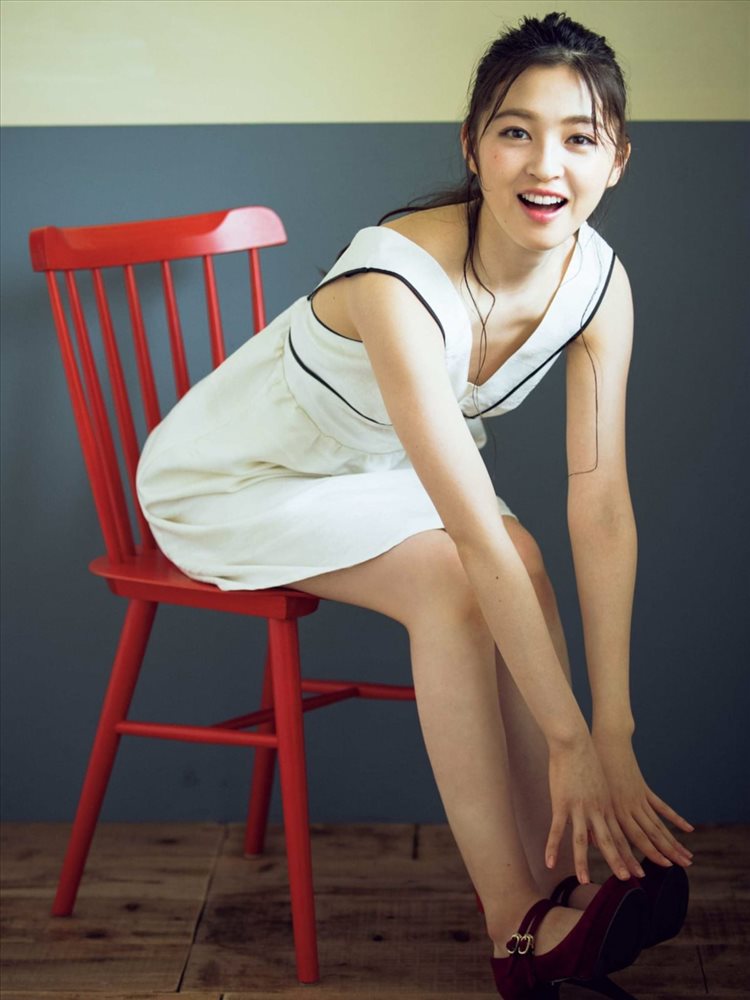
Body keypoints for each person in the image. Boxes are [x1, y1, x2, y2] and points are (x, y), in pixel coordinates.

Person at [137, 12, 694, 997]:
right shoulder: (395, 274)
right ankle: (516, 925)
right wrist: (567, 739)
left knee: (523, 557)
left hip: (373, 470)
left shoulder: (599, 285)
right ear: (472, 147)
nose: (546, 164)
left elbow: (601, 502)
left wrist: (612, 729)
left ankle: (564, 874)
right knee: (459, 577)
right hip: (233, 478)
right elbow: (468, 532)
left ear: (617, 161)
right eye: (516, 131)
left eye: (579, 137)